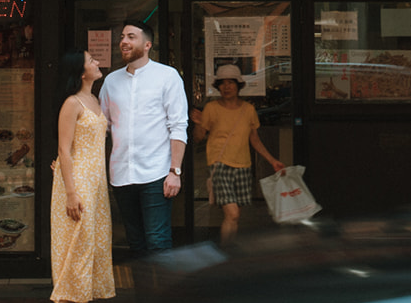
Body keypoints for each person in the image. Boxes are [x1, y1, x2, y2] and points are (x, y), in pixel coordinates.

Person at [99, 20, 189, 259]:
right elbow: (101, 128)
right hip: (121, 175)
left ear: (147, 44)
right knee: (135, 243)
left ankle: (163, 297)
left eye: (131, 37)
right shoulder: (111, 81)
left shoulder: (167, 76)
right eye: (122, 37)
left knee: (158, 241)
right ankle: (145, 296)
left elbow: (179, 126)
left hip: (156, 173)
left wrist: (175, 171)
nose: (124, 42)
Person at [46, 49, 115, 303]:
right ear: (81, 71)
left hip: (96, 184)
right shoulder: (71, 104)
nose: (96, 62)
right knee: (80, 249)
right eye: (91, 61)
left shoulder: (95, 100)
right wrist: (71, 193)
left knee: (88, 246)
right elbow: (64, 149)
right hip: (76, 184)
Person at [195, 64, 284, 245]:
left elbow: (255, 140)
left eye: (231, 83)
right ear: (218, 86)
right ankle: (226, 252)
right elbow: (198, 137)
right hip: (219, 165)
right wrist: (198, 122)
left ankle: (228, 249)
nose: (227, 87)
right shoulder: (211, 108)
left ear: (238, 85)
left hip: (243, 166)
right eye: (222, 83)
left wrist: (272, 160)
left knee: (234, 216)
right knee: (233, 213)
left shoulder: (248, 110)